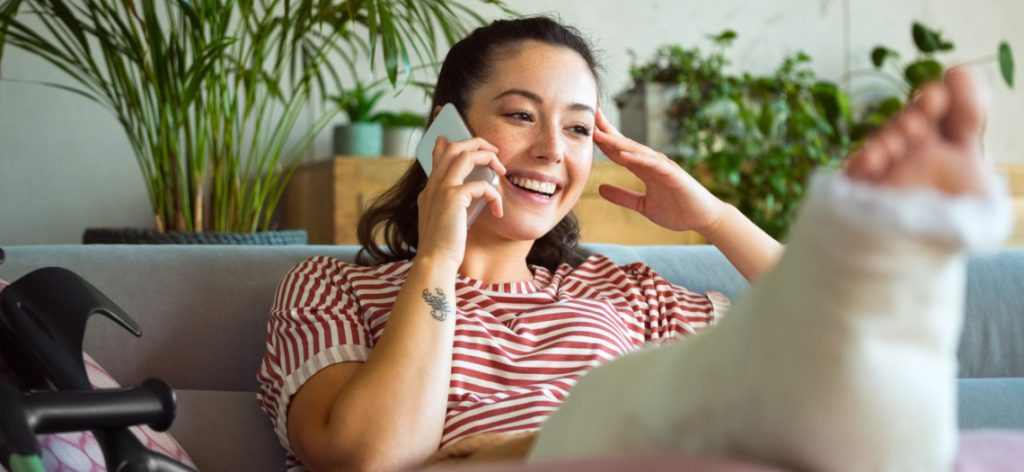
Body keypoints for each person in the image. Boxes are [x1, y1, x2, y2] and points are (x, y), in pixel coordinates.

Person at [256, 16, 1012, 472]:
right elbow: (371, 456)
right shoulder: (332, 287)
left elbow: (827, 342)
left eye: (580, 127)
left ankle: (881, 249)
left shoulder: (623, 290)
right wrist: (438, 261)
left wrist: (713, 217)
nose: (555, 148)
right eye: (521, 115)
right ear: (444, 131)